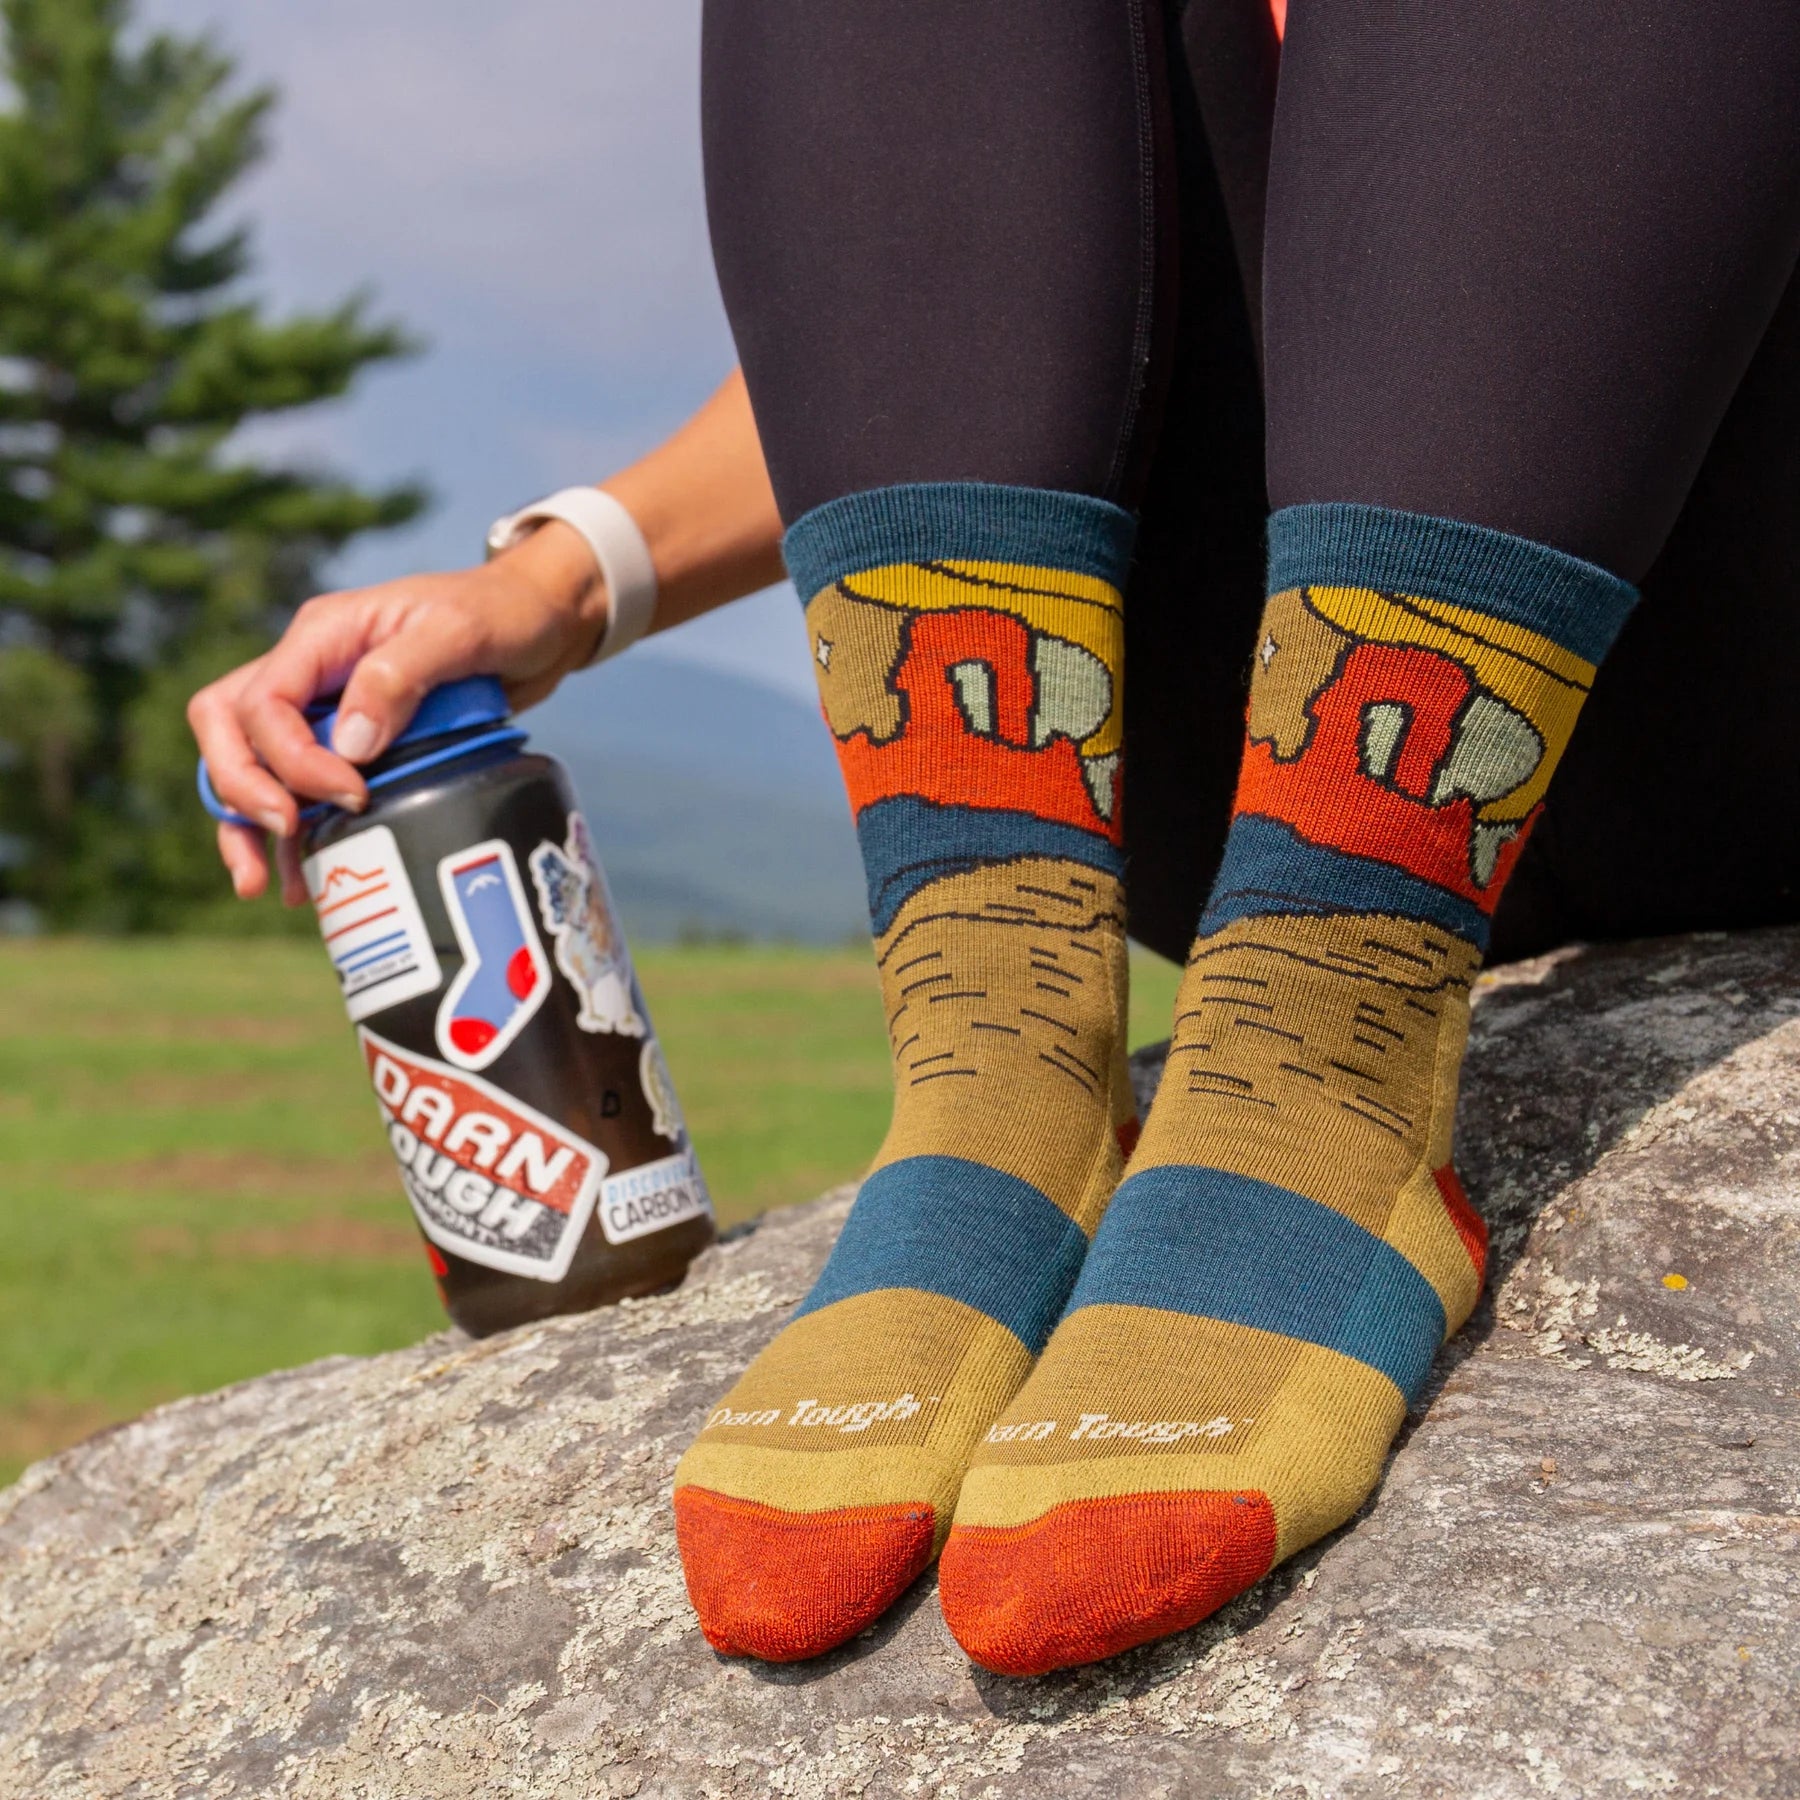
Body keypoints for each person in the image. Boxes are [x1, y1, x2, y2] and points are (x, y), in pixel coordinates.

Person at [190, 0, 1800, 1677]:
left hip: (1711, 693)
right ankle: (998, 1089)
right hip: (1232, 754)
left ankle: (1317, 1077)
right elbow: (982, 257)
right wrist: (563, 576)